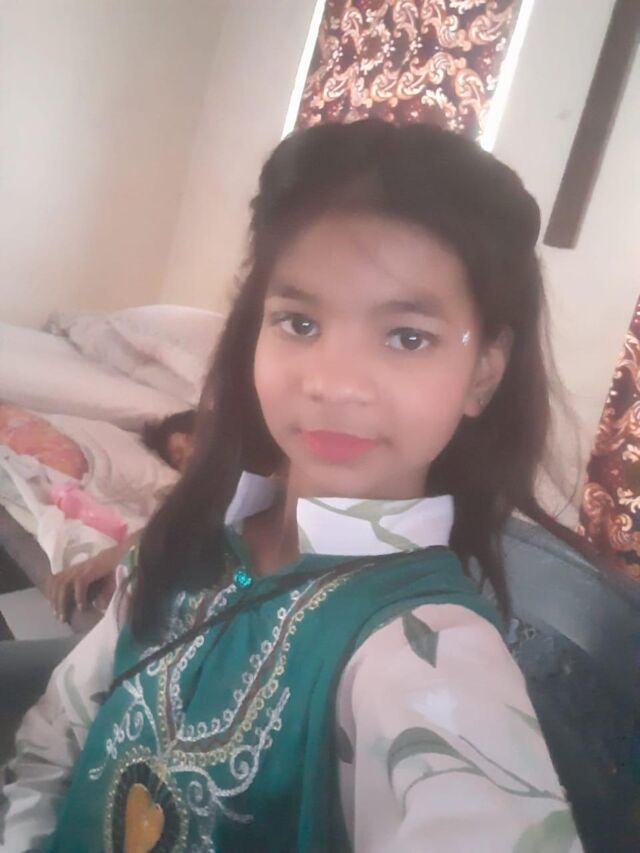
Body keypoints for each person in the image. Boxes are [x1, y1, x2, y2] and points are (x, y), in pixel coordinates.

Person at [0, 121, 586, 851]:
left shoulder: (427, 654)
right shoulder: (190, 539)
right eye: (299, 322)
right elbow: (54, 743)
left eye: (407, 336)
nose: (334, 384)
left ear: (484, 374)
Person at [45, 410, 196, 622]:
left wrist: (110, 557)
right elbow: (174, 522)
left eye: (190, 440)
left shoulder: (238, 441)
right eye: (178, 459)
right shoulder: (192, 492)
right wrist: (110, 558)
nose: (189, 454)